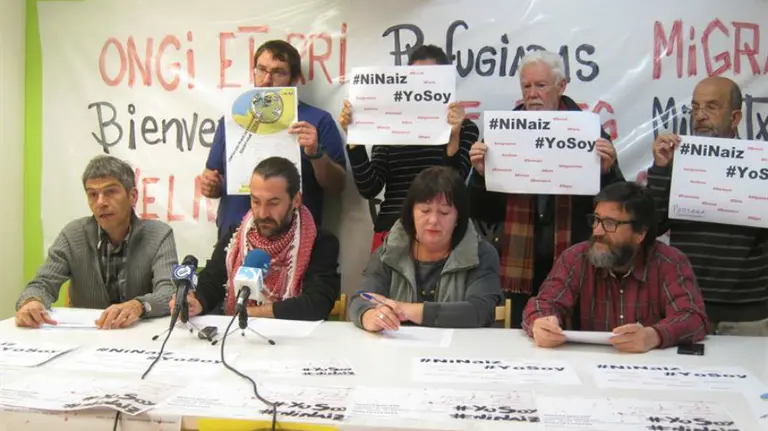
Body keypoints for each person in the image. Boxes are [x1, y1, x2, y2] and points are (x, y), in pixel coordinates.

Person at [467, 50, 624, 328]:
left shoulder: (589, 132)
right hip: (516, 266)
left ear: (561, 86)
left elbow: (618, 206)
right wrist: (480, 176)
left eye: (540, 85)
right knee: (517, 340)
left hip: (575, 262)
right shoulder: (501, 134)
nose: (532, 94)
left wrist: (607, 172)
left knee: (566, 339)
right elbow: (480, 212)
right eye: (526, 86)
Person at [523, 182, 709, 353]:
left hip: (650, 368)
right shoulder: (576, 258)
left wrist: (655, 335)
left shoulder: (669, 262)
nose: (597, 231)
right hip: (589, 365)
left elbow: (693, 317)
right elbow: (544, 303)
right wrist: (542, 322)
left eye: (610, 223)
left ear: (640, 233)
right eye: (596, 220)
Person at [646, 76, 768, 336]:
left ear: (735, 118)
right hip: (684, 304)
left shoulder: (760, 165)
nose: (700, 115)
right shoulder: (675, 162)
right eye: (695, 107)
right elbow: (650, 227)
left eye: (711, 107)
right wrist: (660, 169)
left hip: (748, 312)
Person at [339, 45, 479, 252]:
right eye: (415, 77)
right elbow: (369, 187)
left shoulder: (466, 128)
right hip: (392, 231)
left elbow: (455, 184)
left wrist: (454, 137)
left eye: (429, 78)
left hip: (441, 233)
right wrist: (355, 138)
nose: (421, 85)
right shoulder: (389, 124)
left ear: (445, 83)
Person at [202, 40, 347, 239]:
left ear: (294, 78)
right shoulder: (232, 119)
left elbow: (337, 187)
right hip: (235, 238)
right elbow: (212, 178)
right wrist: (210, 185)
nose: (266, 80)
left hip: (295, 241)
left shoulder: (318, 121)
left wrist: (317, 153)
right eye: (261, 70)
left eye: (278, 72)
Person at [15, 155, 177, 329]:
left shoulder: (159, 235)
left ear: (132, 196)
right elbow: (42, 284)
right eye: (93, 194)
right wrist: (32, 302)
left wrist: (139, 306)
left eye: (111, 192)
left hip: (141, 333)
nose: (101, 202)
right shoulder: (73, 235)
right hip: (88, 334)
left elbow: (170, 292)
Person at [178, 157, 340, 321]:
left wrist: (251, 313)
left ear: (296, 200)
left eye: (273, 203)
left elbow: (317, 303)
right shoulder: (237, 235)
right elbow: (213, 280)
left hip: (293, 335)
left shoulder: (319, 242)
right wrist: (197, 302)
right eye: (256, 202)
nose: (262, 214)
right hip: (238, 333)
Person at [348, 166, 503, 331]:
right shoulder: (391, 250)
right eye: (425, 210)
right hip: (399, 345)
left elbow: (479, 310)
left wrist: (404, 310)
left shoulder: (481, 254)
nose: (433, 220)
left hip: (460, 345)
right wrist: (370, 316)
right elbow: (362, 298)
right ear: (412, 213)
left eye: (444, 212)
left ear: (458, 217)